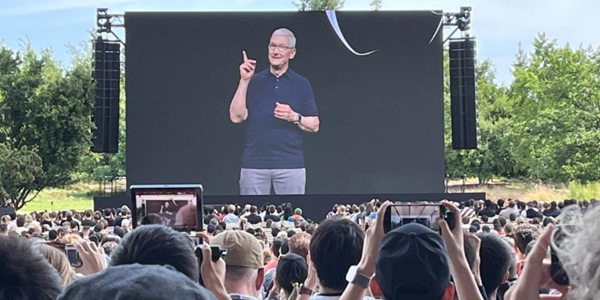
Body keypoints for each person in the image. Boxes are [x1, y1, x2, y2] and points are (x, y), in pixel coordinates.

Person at [229, 28, 320, 196]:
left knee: (293, 217)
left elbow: (314, 125)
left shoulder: (301, 83)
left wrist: (294, 116)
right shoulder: (254, 81)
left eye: (282, 47)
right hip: (254, 164)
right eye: (272, 46)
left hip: (290, 165)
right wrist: (244, 80)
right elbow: (236, 116)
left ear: (292, 53)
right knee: (250, 218)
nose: (276, 51)